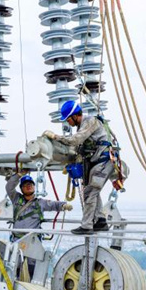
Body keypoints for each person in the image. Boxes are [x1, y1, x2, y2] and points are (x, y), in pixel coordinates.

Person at [43, 100, 113, 235]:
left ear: (75, 115)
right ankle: (100, 221)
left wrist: (55, 137)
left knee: (89, 192)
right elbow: (78, 147)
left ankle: (87, 226)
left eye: (68, 119)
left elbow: (75, 140)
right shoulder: (83, 126)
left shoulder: (90, 121)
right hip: (97, 162)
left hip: (103, 162)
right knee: (92, 191)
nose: (67, 122)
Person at [5, 171, 72, 276]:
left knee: (31, 270)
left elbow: (53, 205)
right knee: (14, 269)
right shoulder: (16, 199)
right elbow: (9, 187)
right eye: (25, 185)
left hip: (32, 243)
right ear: (21, 188)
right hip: (17, 241)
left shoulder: (40, 203)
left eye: (30, 184)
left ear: (34, 187)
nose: (28, 187)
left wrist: (64, 206)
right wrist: (18, 175)